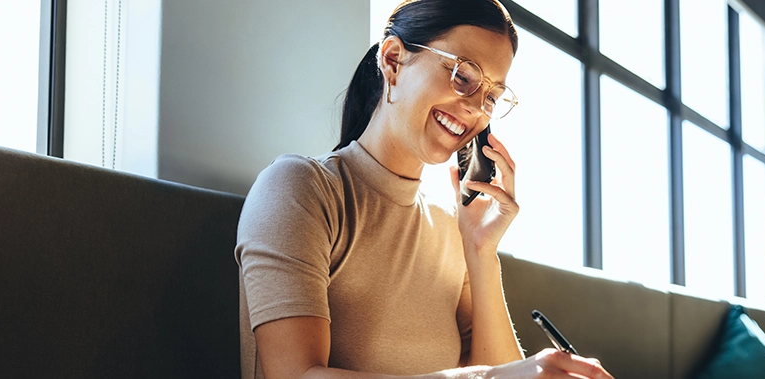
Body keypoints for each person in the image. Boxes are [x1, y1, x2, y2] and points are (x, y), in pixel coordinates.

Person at [234, 0, 614, 378]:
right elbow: (295, 375)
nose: (475, 109)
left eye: (491, 97)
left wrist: (481, 253)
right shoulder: (299, 189)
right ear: (394, 59)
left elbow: (502, 371)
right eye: (463, 76)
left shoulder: (453, 229)